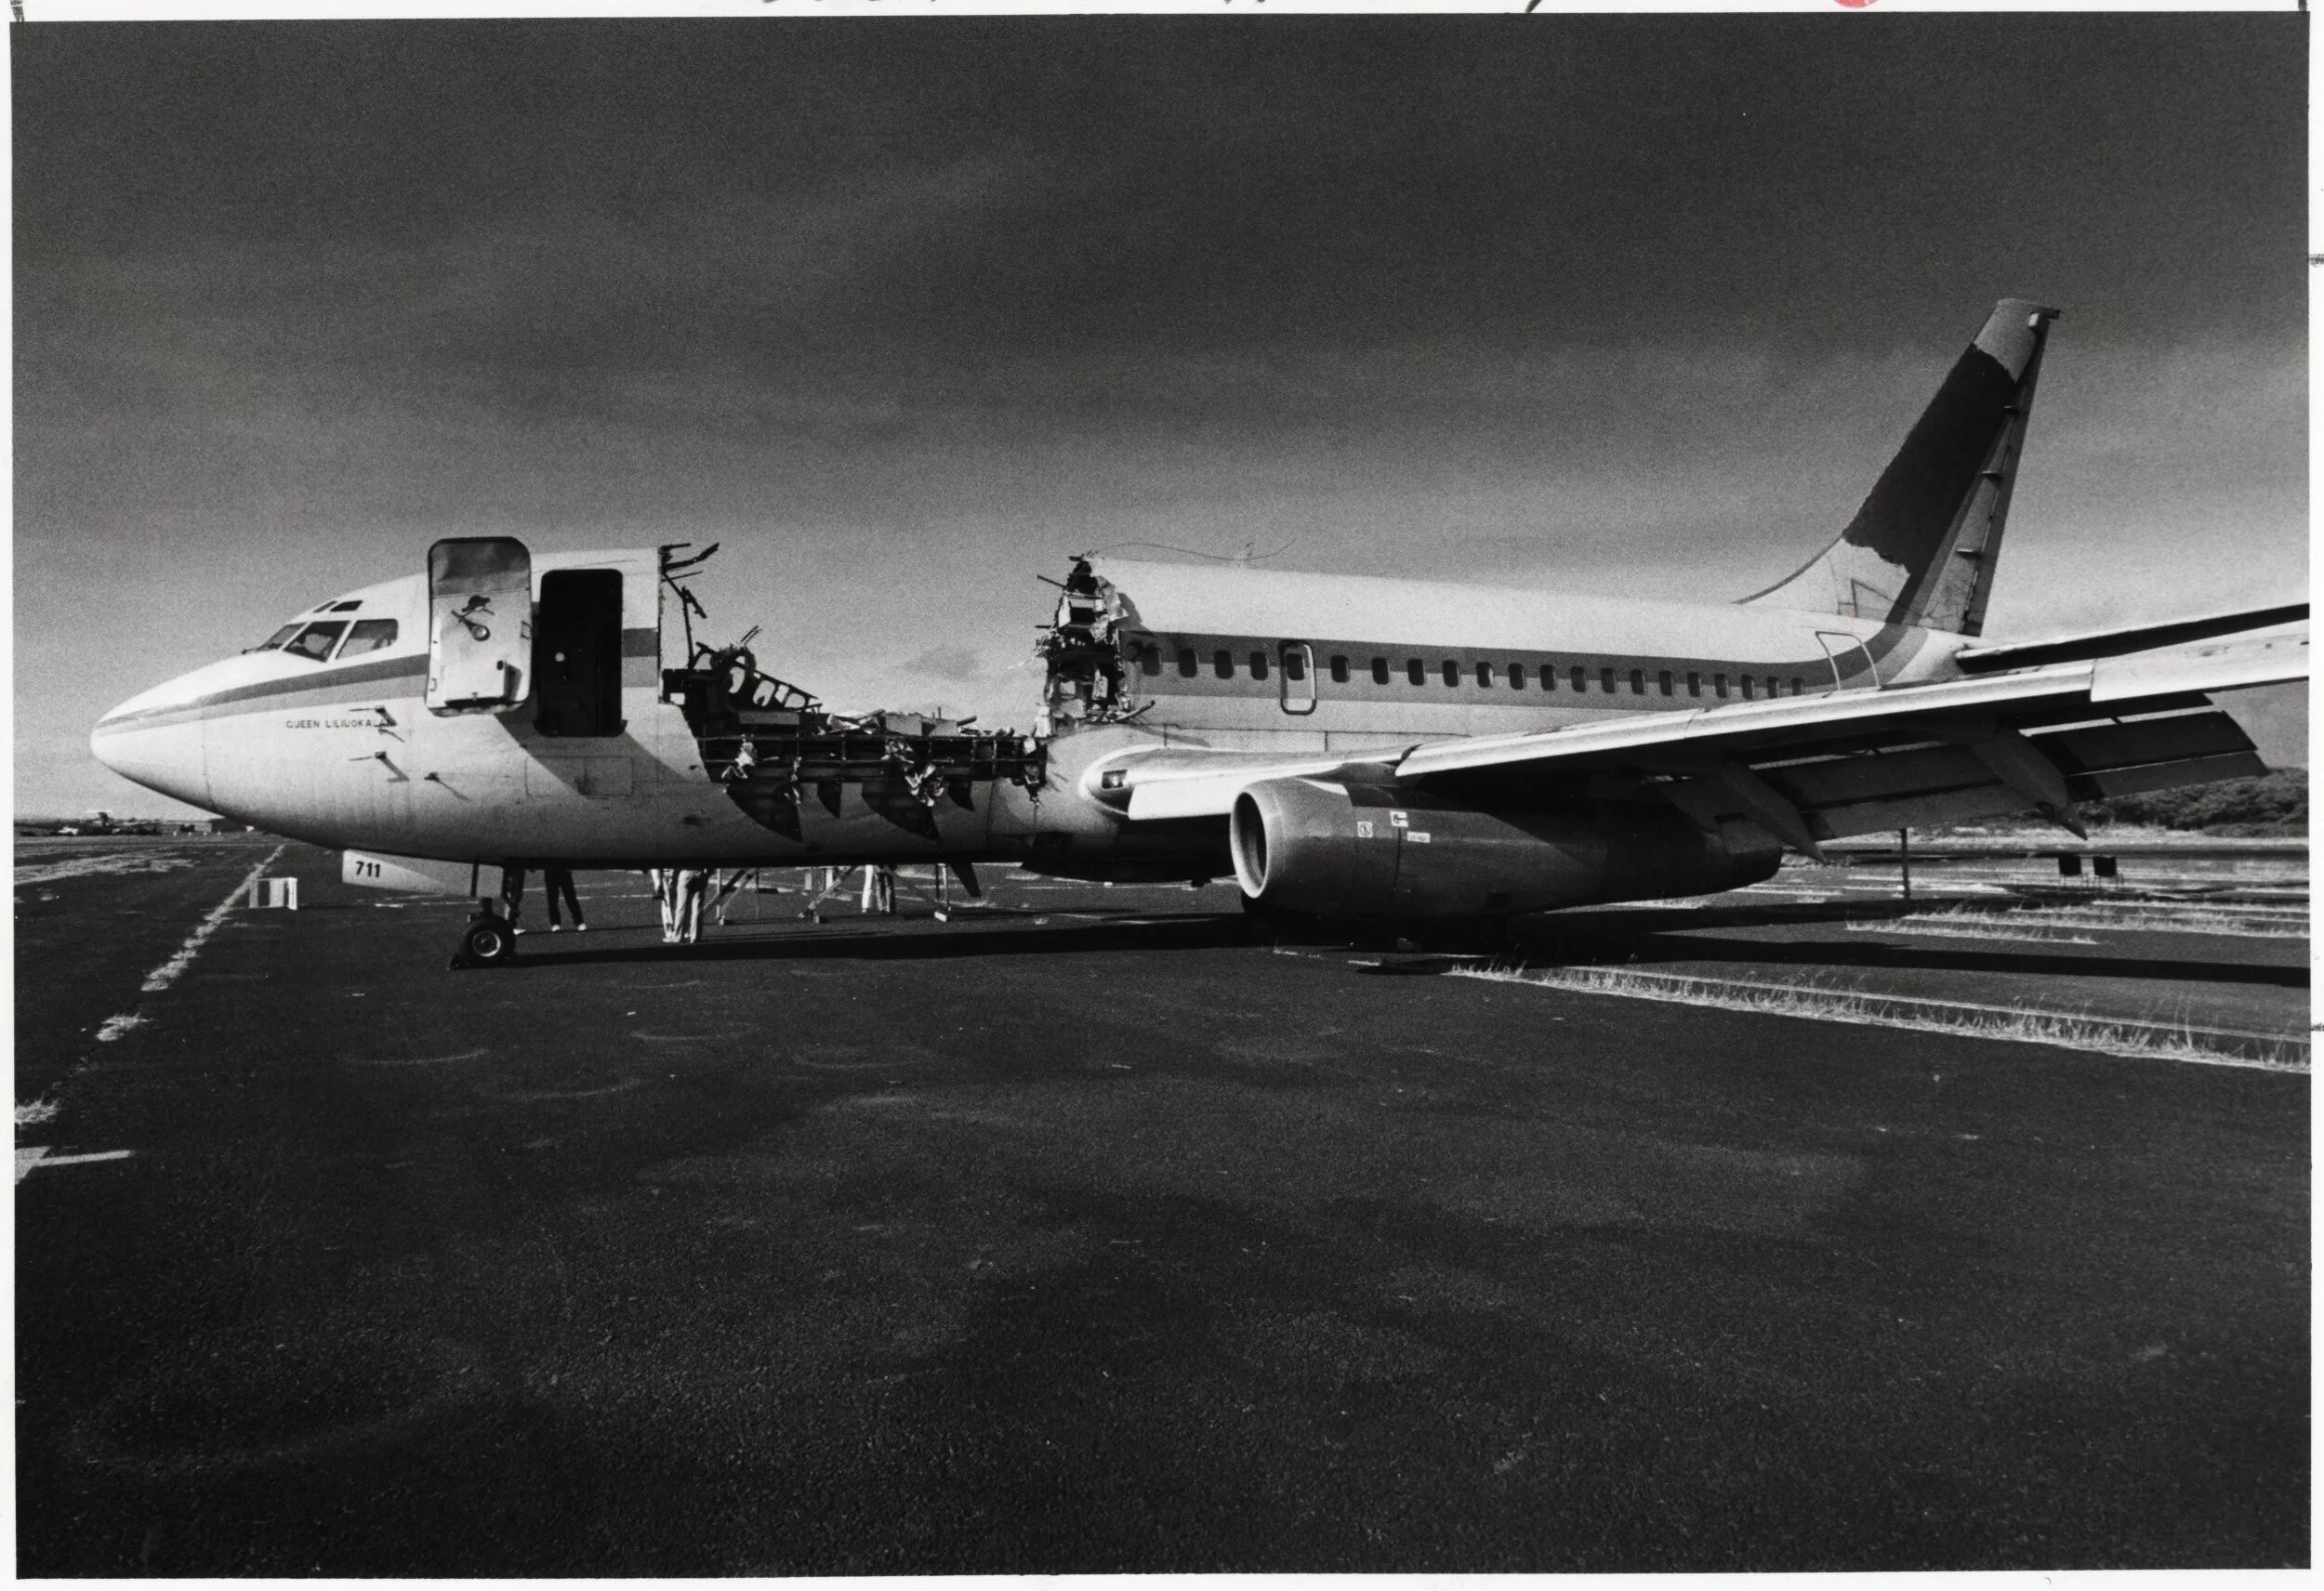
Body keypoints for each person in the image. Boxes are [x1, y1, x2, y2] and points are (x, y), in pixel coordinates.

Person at [543, 865, 586, 932]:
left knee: (570, 897)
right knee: (552, 899)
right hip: (550, 869)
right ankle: (555, 923)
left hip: (562, 868)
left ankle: (579, 922)